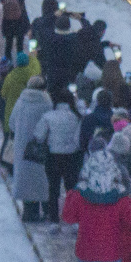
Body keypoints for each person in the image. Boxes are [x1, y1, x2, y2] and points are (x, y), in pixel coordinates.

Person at [61, 147, 131, 262]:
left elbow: (68, 217)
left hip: (86, 251)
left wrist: (70, 196)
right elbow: (130, 221)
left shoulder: (80, 191)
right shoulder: (121, 194)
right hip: (112, 253)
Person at [34, 88, 84, 222]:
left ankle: (54, 219)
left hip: (53, 156)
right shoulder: (76, 117)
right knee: (71, 189)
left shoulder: (48, 116)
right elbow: (78, 139)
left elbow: (39, 136)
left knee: (53, 188)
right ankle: (72, 218)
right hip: (71, 156)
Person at [10, 75, 52, 221]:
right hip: (42, 147)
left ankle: (30, 213)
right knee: (43, 179)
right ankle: (47, 211)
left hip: (23, 149)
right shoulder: (47, 103)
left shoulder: (21, 102)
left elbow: (12, 123)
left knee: (26, 180)